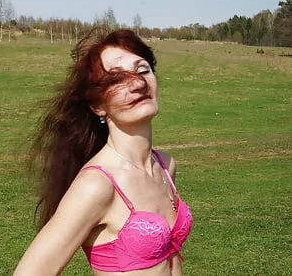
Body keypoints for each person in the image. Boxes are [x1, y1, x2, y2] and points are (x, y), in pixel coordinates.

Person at [14, 29, 193, 276]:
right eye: (117, 79)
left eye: (142, 70)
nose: (138, 83)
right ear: (98, 106)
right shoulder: (97, 185)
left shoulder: (165, 166)